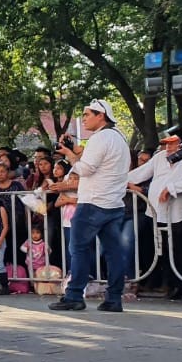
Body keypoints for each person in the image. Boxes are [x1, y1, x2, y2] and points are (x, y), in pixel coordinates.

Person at [50, 99, 131, 312]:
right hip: (113, 204)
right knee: (114, 252)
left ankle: (74, 295)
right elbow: (94, 159)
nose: (84, 118)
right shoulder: (118, 137)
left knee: (78, 249)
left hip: (92, 203)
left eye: (87, 114)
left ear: (100, 116)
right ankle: (114, 298)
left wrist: (67, 154)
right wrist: (74, 149)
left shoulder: (99, 138)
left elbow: (85, 169)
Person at [128, 134, 182, 300]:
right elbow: (141, 173)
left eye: (172, 144)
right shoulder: (160, 157)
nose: (168, 148)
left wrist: (172, 188)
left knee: (181, 250)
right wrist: (120, 180)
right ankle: (173, 286)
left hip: (178, 213)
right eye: (166, 144)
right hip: (157, 211)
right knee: (164, 251)